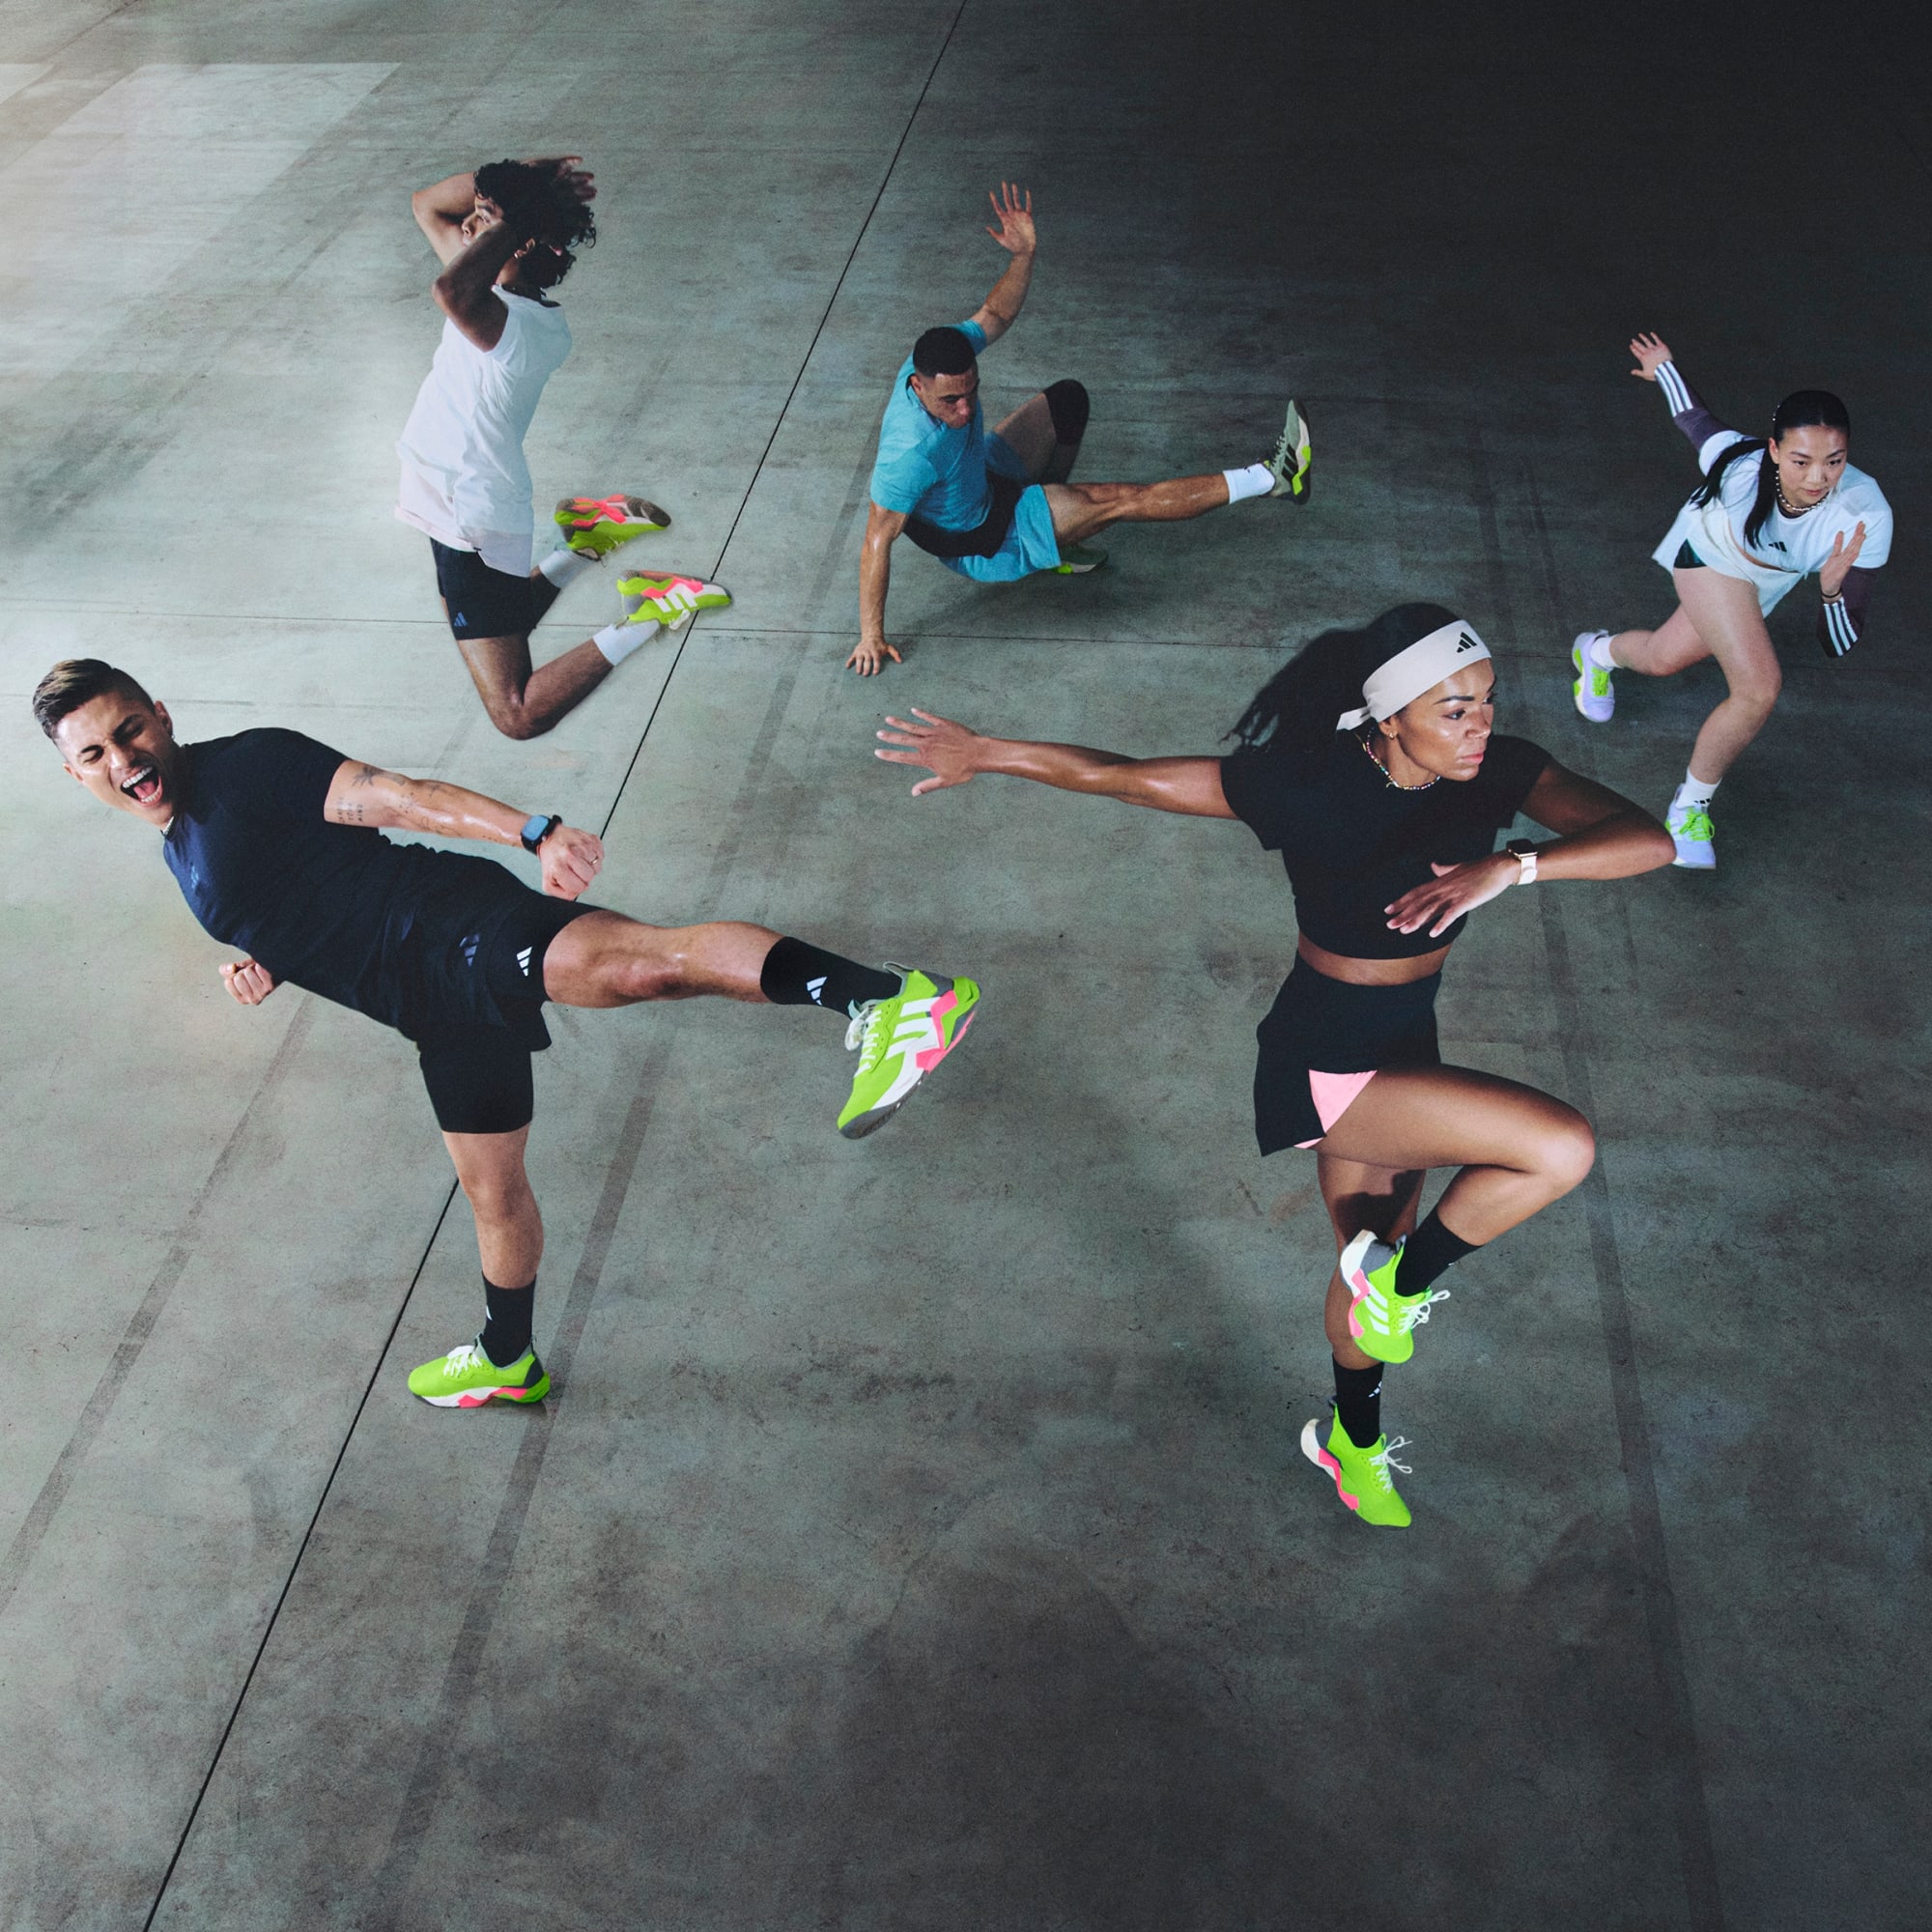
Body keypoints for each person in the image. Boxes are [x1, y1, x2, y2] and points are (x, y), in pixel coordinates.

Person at [871, 606, 1672, 1526]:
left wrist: (1512, 867)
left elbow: (1648, 840)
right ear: (1391, 716)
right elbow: (1122, 777)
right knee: (1557, 1148)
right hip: (1322, 1062)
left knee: (1364, 1274)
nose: (1479, 725)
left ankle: (1352, 1442)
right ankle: (1404, 1281)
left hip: (1404, 1044)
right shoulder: (1307, 783)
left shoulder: (1500, 769)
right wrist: (988, 752)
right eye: (1453, 710)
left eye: (1487, 700)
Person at [37, 659, 981, 1408]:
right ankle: (506, 1357)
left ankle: (892, 1000)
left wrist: (532, 831)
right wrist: (268, 959)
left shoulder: (247, 765)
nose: (123, 758)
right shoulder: (180, 844)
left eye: (130, 729)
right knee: (493, 1190)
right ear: (76, 774)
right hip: (429, 1007)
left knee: (647, 963)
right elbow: (296, 886)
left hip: (454, 925)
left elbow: (397, 796)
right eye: (95, 753)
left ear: (161, 714)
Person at [848, 183, 1314, 675]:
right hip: (989, 537)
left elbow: (995, 314)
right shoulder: (909, 456)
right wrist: (871, 636)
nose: (965, 410)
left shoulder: (935, 359)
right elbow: (877, 540)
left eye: (972, 392)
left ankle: (1056, 534)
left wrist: (1024, 256)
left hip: (983, 476)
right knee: (1124, 499)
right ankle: (1275, 476)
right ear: (918, 387)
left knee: (1068, 400)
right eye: (950, 402)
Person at [400, 155, 732, 738]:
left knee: (517, 712)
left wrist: (518, 209)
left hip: (466, 513)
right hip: (462, 498)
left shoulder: (514, 325)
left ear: (519, 240)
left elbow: (449, 290)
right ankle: (583, 544)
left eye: (482, 219)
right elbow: (426, 204)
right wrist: (525, 178)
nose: (467, 226)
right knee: (497, 629)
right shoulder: (498, 294)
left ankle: (653, 611)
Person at [1571, 332, 1892, 868]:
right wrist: (1664, 368)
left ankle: (1597, 652)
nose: (1818, 477)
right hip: (1708, 557)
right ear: (1774, 450)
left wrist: (1831, 590)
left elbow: (1839, 643)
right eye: (1801, 460)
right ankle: (1689, 809)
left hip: (1763, 583)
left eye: (1835, 461)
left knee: (1663, 658)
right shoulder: (1741, 466)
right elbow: (1696, 420)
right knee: (1758, 687)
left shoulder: (1866, 515)